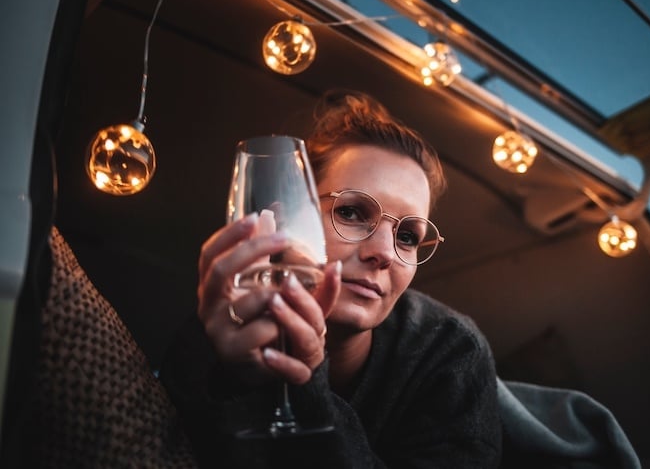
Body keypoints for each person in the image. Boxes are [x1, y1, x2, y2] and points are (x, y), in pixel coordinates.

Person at [160, 89, 502, 468]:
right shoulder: (219, 329)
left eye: (407, 236)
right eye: (352, 212)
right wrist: (236, 383)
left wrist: (309, 390)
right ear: (284, 223)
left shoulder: (452, 353)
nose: (385, 253)